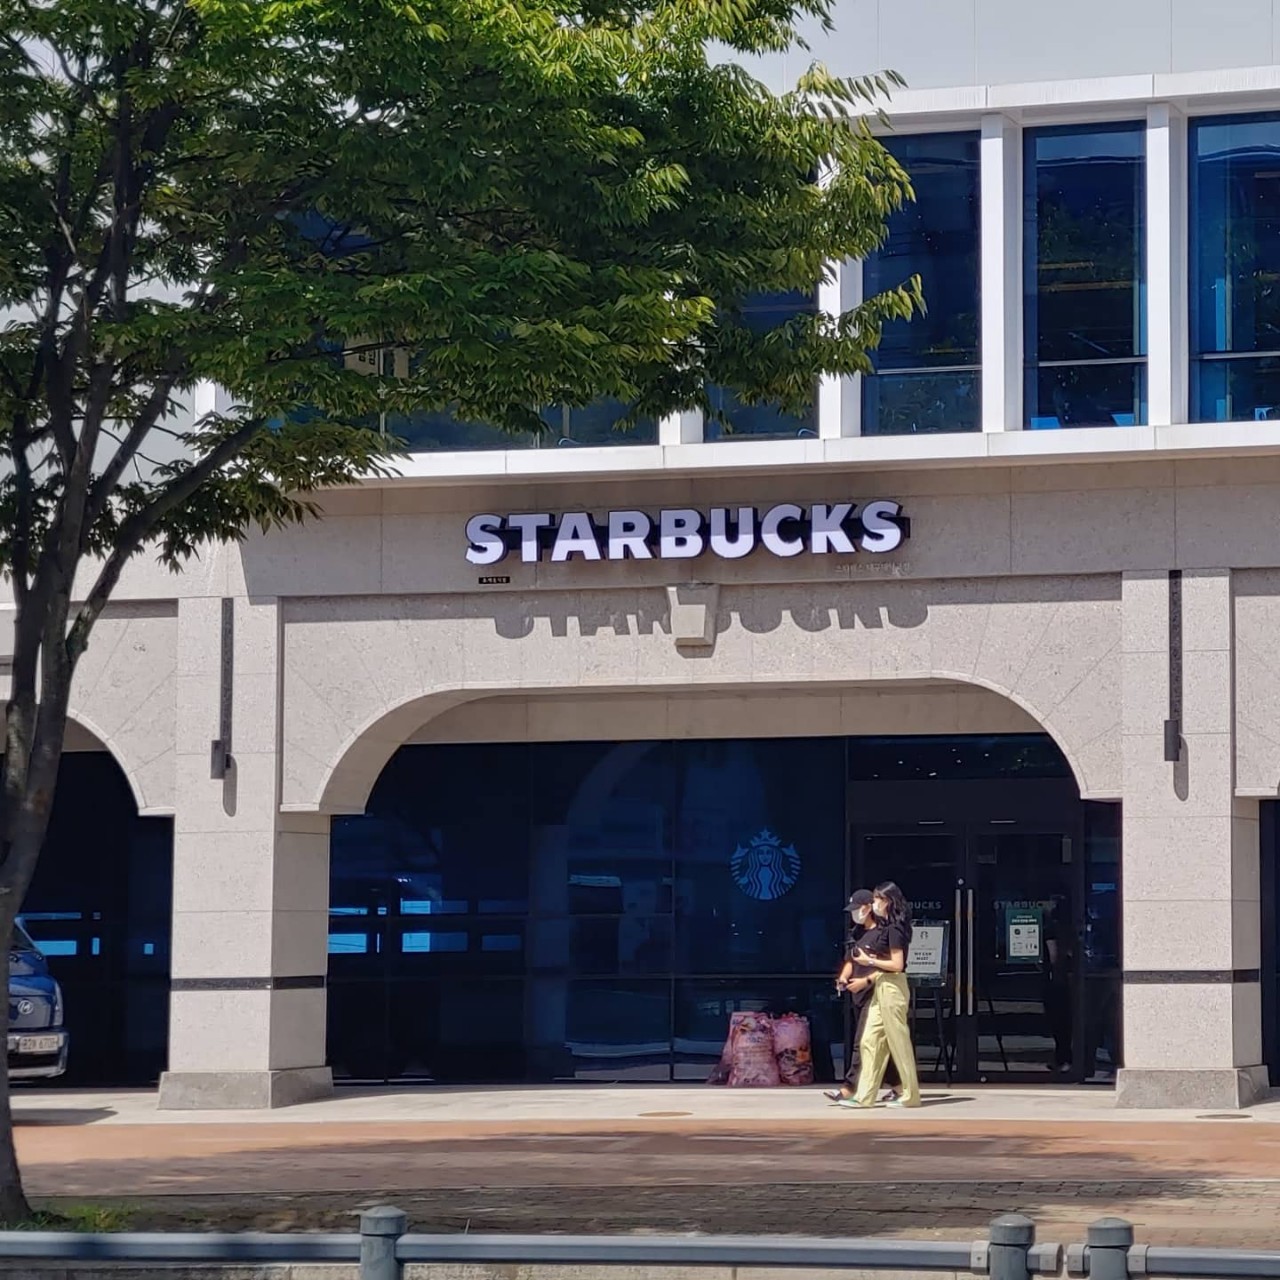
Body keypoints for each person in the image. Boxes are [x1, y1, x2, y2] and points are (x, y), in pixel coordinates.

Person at [839, 881, 921, 1110]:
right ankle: (864, 1096)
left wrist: (869, 961)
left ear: (888, 902)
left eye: (877, 899)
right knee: (869, 1040)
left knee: (899, 1043)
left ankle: (910, 1094)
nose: (873, 903)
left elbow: (897, 964)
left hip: (892, 987)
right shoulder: (883, 927)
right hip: (882, 986)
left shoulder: (895, 928)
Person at [825, 890, 899, 1103]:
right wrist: (843, 978)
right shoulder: (855, 933)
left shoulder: (885, 933)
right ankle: (900, 1086)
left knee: (863, 1042)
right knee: (878, 1044)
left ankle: (850, 1088)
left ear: (868, 907)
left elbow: (891, 968)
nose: (855, 914)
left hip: (877, 996)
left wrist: (865, 981)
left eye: (857, 909)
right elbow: (851, 960)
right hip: (858, 996)